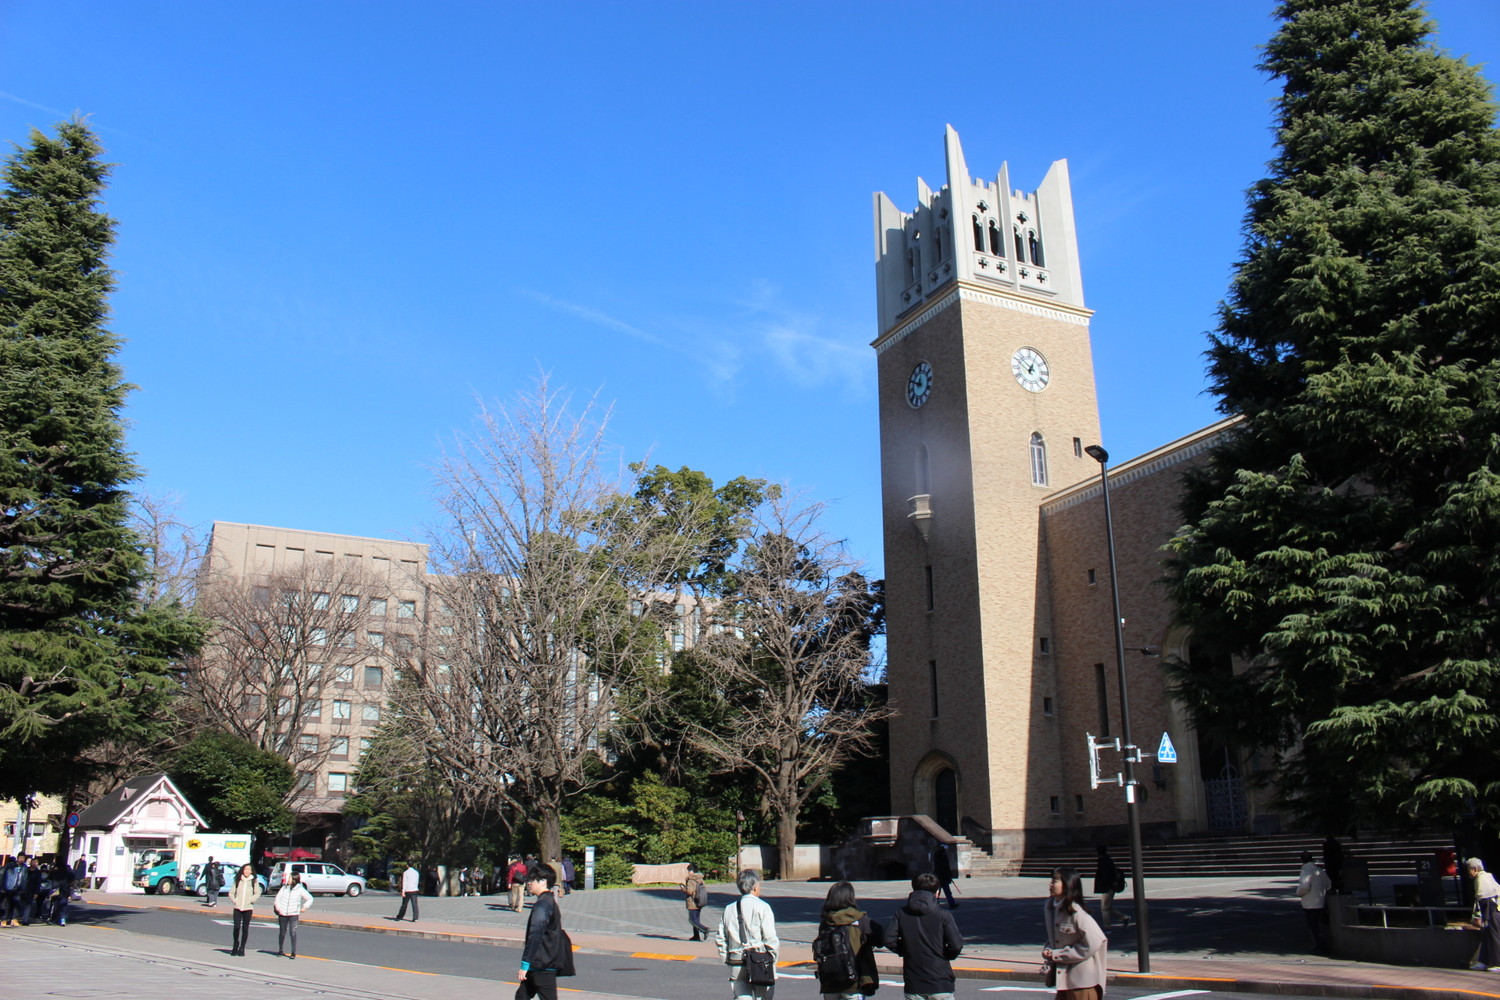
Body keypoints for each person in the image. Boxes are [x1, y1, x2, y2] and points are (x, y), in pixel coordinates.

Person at [885, 872, 962, 1000]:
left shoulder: (902, 913)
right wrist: (946, 955)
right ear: (937, 892)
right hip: (940, 980)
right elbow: (956, 944)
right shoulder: (943, 915)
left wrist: (904, 950)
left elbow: (888, 939)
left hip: (914, 981)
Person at [1042, 867, 1108, 1000]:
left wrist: (1057, 954)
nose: (1050, 884)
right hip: (1065, 981)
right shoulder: (1051, 907)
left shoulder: (1076, 912)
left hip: (1083, 982)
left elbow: (1096, 941)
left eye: (1055, 880)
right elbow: (1057, 938)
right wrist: (1049, 949)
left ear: (1067, 885)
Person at [716, 868, 780, 1000]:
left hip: (737, 960)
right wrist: (772, 959)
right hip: (760, 960)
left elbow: (721, 938)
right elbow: (770, 938)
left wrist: (726, 958)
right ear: (755, 887)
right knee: (764, 996)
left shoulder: (729, 908)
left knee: (742, 996)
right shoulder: (763, 907)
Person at [814, 880, 880, 1000]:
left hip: (830, 982)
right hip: (853, 982)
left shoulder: (826, 922)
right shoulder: (860, 920)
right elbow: (880, 938)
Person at [518, 862, 570, 1000]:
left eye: (531, 880)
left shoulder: (543, 905)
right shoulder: (548, 901)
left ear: (542, 882)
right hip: (541, 962)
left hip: (543, 964)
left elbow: (535, 934)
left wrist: (525, 963)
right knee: (521, 996)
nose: (529, 883)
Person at [1467, 857, 1500, 972]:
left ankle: (1497, 963)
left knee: (1493, 934)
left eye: (1469, 869)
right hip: (1492, 907)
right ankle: (1483, 961)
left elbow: (1481, 898)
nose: (1468, 872)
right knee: (1486, 934)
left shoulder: (1482, 879)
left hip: (1493, 909)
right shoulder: (1486, 876)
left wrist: (1477, 917)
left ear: (1475, 869)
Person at [272, 870, 313, 959]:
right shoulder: (284, 888)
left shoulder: (300, 889)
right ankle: (280, 950)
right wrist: (279, 908)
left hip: (293, 914)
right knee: (282, 932)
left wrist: (305, 907)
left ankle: (293, 952)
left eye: (290, 877)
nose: (288, 879)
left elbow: (310, 898)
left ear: (294, 879)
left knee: (292, 932)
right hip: (282, 913)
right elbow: (277, 899)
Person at [1296, 851, 1332, 952]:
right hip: (1320, 901)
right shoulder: (1319, 870)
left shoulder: (1306, 871)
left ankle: (1319, 945)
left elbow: (1304, 886)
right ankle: (1321, 944)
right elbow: (1329, 884)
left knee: (1313, 925)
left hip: (1310, 903)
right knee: (1318, 924)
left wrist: (1298, 893)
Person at [229, 862, 262, 956]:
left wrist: (252, 900)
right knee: (236, 927)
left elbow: (257, 892)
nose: (247, 871)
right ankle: (235, 945)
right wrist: (235, 901)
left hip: (248, 907)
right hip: (238, 907)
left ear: (251, 871)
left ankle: (242, 947)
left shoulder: (254, 881)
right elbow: (231, 892)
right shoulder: (238, 880)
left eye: (249, 869)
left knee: (245, 928)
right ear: (242, 870)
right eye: (245, 869)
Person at [1092, 846, 1129, 928]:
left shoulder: (1103, 861)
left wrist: (1101, 884)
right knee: (1107, 906)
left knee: (1104, 907)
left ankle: (1107, 926)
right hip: (1110, 885)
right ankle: (1123, 917)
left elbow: (1105, 876)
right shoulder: (1108, 860)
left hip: (1108, 886)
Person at [682, 862, 710, 941]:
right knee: (697, 919)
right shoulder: (700, 879)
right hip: (699, 901)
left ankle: (705, 929)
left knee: (692, 920)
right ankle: (696, 936)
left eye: (689, 870)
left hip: (692, 902)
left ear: (691, 871)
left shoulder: (691, 880)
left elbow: (689, 891)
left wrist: (683, 889)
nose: (688, 872)